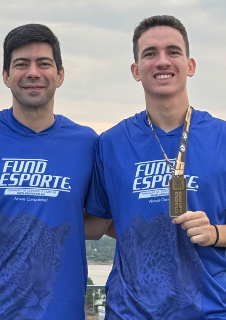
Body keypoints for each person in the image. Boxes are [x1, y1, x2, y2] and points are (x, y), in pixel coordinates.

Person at [0, 24, 101, 320]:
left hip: (59, 312)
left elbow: (95, 224)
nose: (33, 72)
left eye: (44, 63)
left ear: (60, 74)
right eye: (21, 64)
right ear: (6, 76)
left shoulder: (87, 143)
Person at [85, 15, 226, 319]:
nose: (162, 61)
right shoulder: (111, 143)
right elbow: (98, 223)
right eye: (150, 53)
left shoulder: (222, 137)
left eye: (173, 52)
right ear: (136, 71)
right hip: (129, 311)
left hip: (210, 310)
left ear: (190, 65)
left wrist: (216, 232)